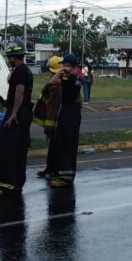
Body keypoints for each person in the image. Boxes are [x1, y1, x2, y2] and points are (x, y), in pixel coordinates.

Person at [0, 44, 33, 195]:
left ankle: (8, 181)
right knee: (20, 147)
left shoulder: (20, 72)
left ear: (12, 57)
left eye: (9, 58)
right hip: (24, 113)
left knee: (9, 147)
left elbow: (20, 92)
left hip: (17, 113)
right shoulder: (26, 71)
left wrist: (13, 114)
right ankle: (17, 181)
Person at [45, 54, 83, 188]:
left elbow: (52, 82)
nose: (63, 68)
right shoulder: (70, 78)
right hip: (66, 113)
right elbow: (51, 82)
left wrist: (62, 72)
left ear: (71, 66)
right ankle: (59, 172)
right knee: (61, 142)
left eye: (65, 65)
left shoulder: (74, 79)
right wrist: (62, 72)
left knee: (68, 143)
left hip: (71, 114)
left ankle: (66, 175)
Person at [33, 56, 63, 179]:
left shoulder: (54, 86)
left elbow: (51, 107)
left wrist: (49, 126)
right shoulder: (61, 83)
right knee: (54, 147)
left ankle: (52, 171)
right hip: (59, 121)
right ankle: (50, 169)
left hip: (54, 122)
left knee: (55, 147)